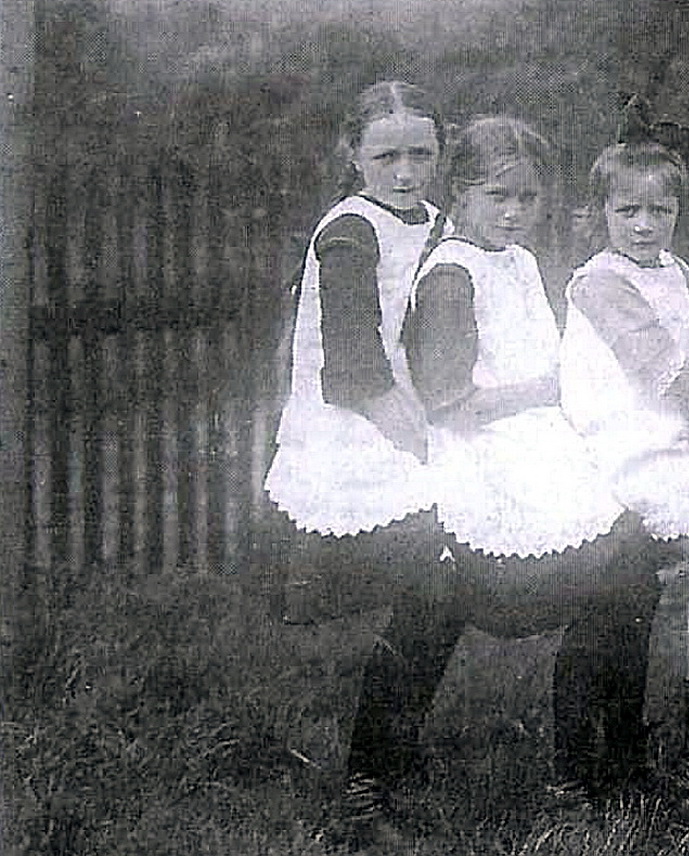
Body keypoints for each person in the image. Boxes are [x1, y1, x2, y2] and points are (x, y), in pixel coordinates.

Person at [403, 116, 668, 813]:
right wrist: (552, 390)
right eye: (499, 197)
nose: (516, 213)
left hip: (541, 446)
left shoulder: (515, 261)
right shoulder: (452, 275)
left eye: (527, 198)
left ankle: (618, 758)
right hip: (485, 461)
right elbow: (447, 400)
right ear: (460, 193)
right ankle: (572, 778)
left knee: (635, 570)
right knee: (612, 574)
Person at [557, 112, 689, 817]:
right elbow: (676, 375)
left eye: (662, 209)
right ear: (601, 214)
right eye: (628, 210)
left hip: (680, 445)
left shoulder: (674, 271)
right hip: (629, 450)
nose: (645, 225)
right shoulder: (599, 282)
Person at [260, 80, 454, 844]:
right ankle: (369, 788)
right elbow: (354, 371)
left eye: (422, 154)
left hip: (416, 411)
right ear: (355, 156)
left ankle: (392, 753)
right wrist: (433, 453)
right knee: (439, 576)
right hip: (352, 428)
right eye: (387, 156)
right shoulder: (349, 231)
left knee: (444, 590)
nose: (406, 172)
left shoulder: (439, 224)